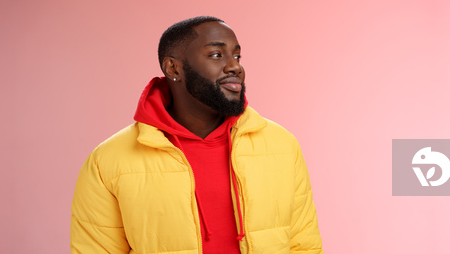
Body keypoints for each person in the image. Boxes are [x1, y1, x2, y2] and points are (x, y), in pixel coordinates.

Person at [70, 16, 323, 253]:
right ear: (173, 68)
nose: (235, 66)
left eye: (237, 55)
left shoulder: (282, 145)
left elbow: (304, 243)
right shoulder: (108, 160)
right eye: (216, 54)